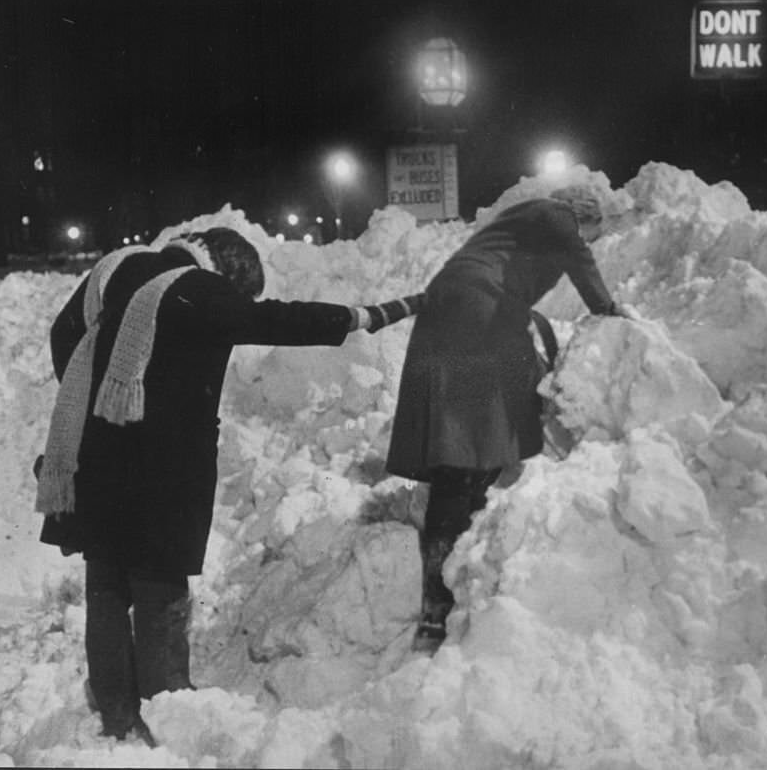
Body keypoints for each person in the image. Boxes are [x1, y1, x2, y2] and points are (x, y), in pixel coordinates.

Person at [35, 227, 422, 744]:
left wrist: (101, 396)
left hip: (93, 454)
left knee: (106, 587)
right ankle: (167, 714)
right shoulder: (198, 288)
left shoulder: (118, 268)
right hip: (160, 467)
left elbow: (64, 333)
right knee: (159, 588)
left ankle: (116, 712)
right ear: (228, 273)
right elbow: (276, 319)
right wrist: (369, 316)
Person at [385, 185, 624, 654]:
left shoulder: (516, 228)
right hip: (477, 316)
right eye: (593, 234)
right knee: (469, 448)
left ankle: (449, 580)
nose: (588, 243)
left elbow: (502, 283)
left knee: (464, 447)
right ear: (586, 216)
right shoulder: (556, 215)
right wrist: (609, 311)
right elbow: (579, 260)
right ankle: (443, 594)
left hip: (460, 311)